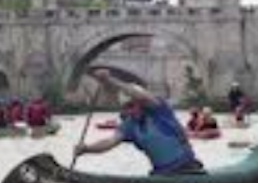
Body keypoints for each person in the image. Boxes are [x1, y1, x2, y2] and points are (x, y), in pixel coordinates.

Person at [74, 69, 205, 175]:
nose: (129, 111)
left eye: (132, 105)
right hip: (162, 173)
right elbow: (110, 142)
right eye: (126, 108)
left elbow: (142, 96)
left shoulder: (159, 110)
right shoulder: (129, 126)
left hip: (187, 167)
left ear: (140, 104)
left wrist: (109, 81)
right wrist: (86, 149)